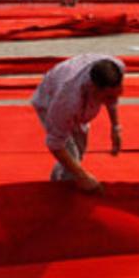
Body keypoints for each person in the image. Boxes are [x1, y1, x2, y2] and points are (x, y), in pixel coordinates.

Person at [31, 54, 125, 193]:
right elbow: (55, 144)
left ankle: (60, 181)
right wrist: (83, 176)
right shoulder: (67, 101)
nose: (112, 99)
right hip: (49, 100)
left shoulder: (116, 67)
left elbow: (112, 98)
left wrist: (115, 127)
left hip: (80, 104)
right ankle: (62, 193)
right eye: (107, 96)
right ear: (93, 88)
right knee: (72, 155)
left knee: (79, 150)